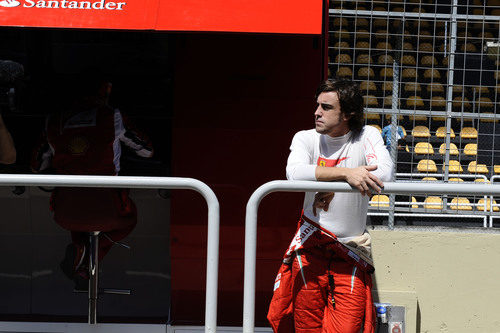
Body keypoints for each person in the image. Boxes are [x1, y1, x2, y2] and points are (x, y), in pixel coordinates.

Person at [267, 79, 393, 332]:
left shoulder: (367, 135)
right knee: (306, 327)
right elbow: (294, 173)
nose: (317, 113)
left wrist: (327, 180)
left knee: (347, 328)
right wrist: (345, 175)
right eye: (317, 106)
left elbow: (385, 174)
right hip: (310, 248)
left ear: (348, 113)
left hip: (351, 250)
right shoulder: (305, 138)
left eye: (326, 107)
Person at [32, 71, 153, 287]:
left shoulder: (54, 120)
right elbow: (146, 151)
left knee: (78, 212)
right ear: (104, 92)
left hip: (66, 212)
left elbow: (36, 165)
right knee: (129, 220)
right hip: (107, 208)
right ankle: (88, 259)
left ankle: (83, 262)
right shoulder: (112, 115)